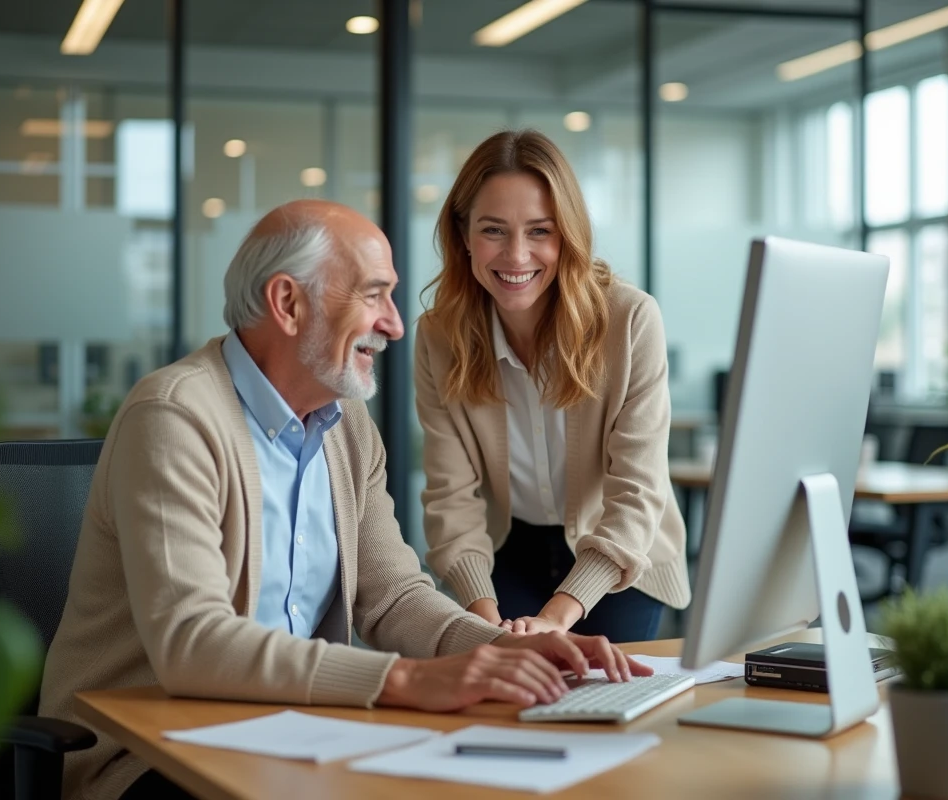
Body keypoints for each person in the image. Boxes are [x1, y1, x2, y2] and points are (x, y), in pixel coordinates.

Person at [38, 200, 649, 800]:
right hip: (146, 754)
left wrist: (505, 649)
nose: (394, 323)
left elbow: (395, 597)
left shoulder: (347, 427)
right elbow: (193, 643)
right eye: (372, 294)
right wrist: (409, 680)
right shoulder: (175, 416)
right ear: (288, 303)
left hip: (289, 735)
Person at [415, 130, 691, 643]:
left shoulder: (629, 320)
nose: (516, 256)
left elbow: (638, 491)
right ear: (463, 236)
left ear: (569, 234)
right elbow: (450, 496)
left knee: (605, 705)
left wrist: (558, 616)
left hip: (621, 557)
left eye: (540, 230)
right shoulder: (439, 336)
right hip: (505, 552)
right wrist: (483, 617)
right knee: (504, 702)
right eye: (493, 230)